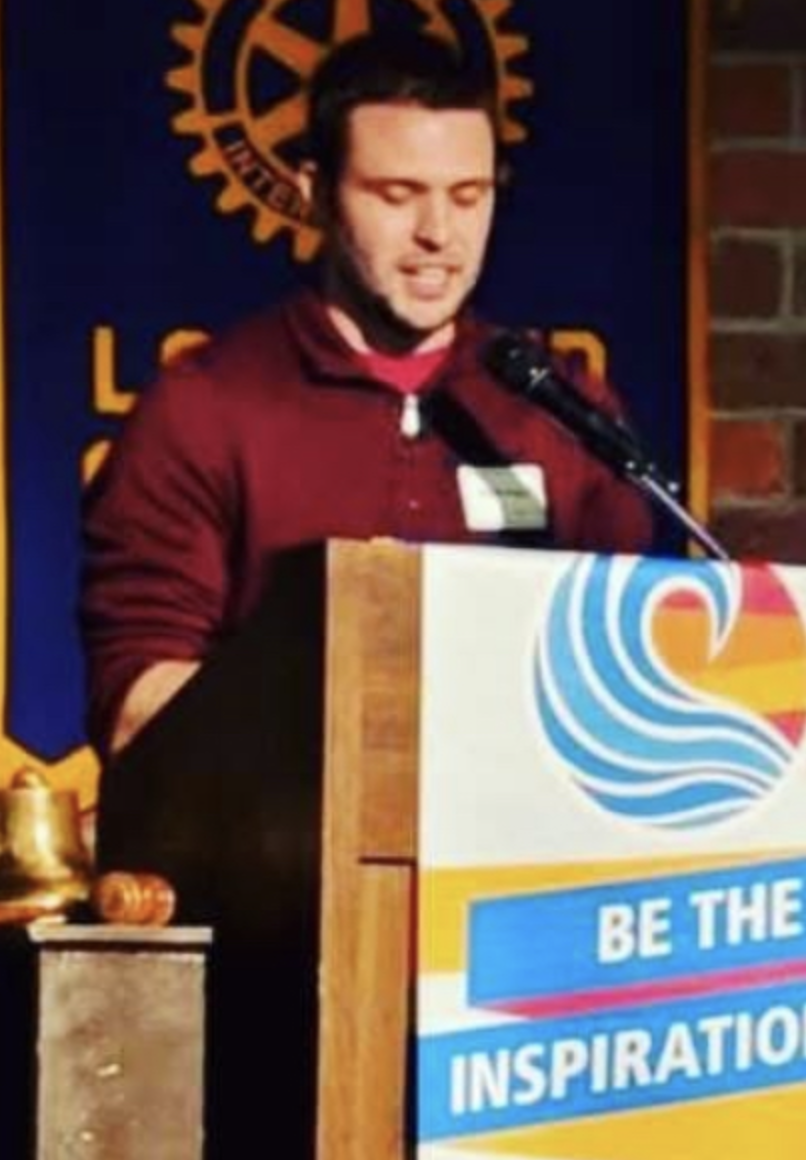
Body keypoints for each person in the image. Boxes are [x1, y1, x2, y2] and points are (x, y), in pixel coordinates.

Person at [80, 30, 655, 759]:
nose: (438, 233)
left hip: (512, 824)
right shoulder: (206, 407)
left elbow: (626, 680)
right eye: (397, 196)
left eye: (468, 196)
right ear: (315, 193)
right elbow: (138, 703)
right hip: (279, 827)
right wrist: (364, 734)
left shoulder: (560, 409)